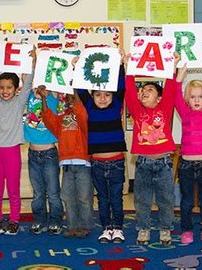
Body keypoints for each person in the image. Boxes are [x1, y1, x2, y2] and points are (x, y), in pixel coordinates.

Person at [124, 53, 180, 245]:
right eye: (143, 90)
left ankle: (165, 229)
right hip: (143, 164)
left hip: (164, 163)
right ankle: (144, 229)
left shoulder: (163, 109)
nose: (144, 92)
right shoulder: (137, 111)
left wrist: (172, 66)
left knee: (166, 199)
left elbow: (171, 88)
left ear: (159, 98)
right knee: (142, 200)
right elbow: (130, 91)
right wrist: (128, 67)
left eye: (150, 90)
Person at [0, 45, 35, 235]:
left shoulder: (19, 101)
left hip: (12, 150)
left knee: (13, 189)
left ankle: (14, 219)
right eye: (2, 88)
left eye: (9, 88)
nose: (4, 91)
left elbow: (28, 83)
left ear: (16, 90)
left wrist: (32, 60)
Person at [77, 64, 127, 244]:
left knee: (116, 197)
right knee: (103, 198)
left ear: (113, 96)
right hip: (97, 163)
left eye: (107, 94)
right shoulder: (89, 106)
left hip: (116, 162)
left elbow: (122, 86)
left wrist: (120, 64)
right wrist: (78, 67)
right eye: (98, 94)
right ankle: (107, 228)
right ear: (92, 96)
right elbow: (80, 87)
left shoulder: (117, 105)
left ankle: (118, 229)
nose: (103, 98)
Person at [174, 61, 202, 245]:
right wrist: (181, 73)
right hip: (186, 164)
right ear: (187, 99)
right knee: (186, 201)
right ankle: (187, 230)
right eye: (192, 97)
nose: (197, 100)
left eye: (200, 96)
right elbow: (175, 95)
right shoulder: (185, 113)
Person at [39, 86, 93, 239]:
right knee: (67, 197)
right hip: (67, 165)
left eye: (71, 96)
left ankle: (85, 225)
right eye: (66, 96)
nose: (68, 98)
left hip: (83, 163)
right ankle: (72, 225)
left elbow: (79, 108)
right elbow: (48, 118)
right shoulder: (62, 117)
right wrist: (43, 97)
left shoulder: (83, 116)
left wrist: (74, 88)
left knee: (84, 197)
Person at [23, 84, 63, 236]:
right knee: (38, 193)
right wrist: (33, 61)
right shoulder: (29, 96)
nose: (40, 89)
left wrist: (47, 92)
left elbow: (55, 80)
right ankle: (39, 220)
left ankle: (55, 221)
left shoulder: (52, 97)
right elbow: (26, 79)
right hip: (33, 154)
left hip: (49, 153)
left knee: (53, 192)